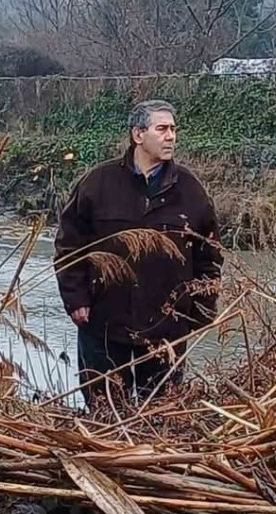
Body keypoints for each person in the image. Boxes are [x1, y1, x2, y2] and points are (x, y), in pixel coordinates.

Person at [54, 99, 222, 409]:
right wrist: (76, 299)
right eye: (162, 129)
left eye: (173, 129)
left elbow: (209, 254)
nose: (171, 136)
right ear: (138, 135)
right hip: (104, 318)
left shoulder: (190, 190)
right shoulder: (98, 183)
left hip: (166, 324)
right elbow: (69, 245)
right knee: (105, 408)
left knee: (160, 410)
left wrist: (200, 310)